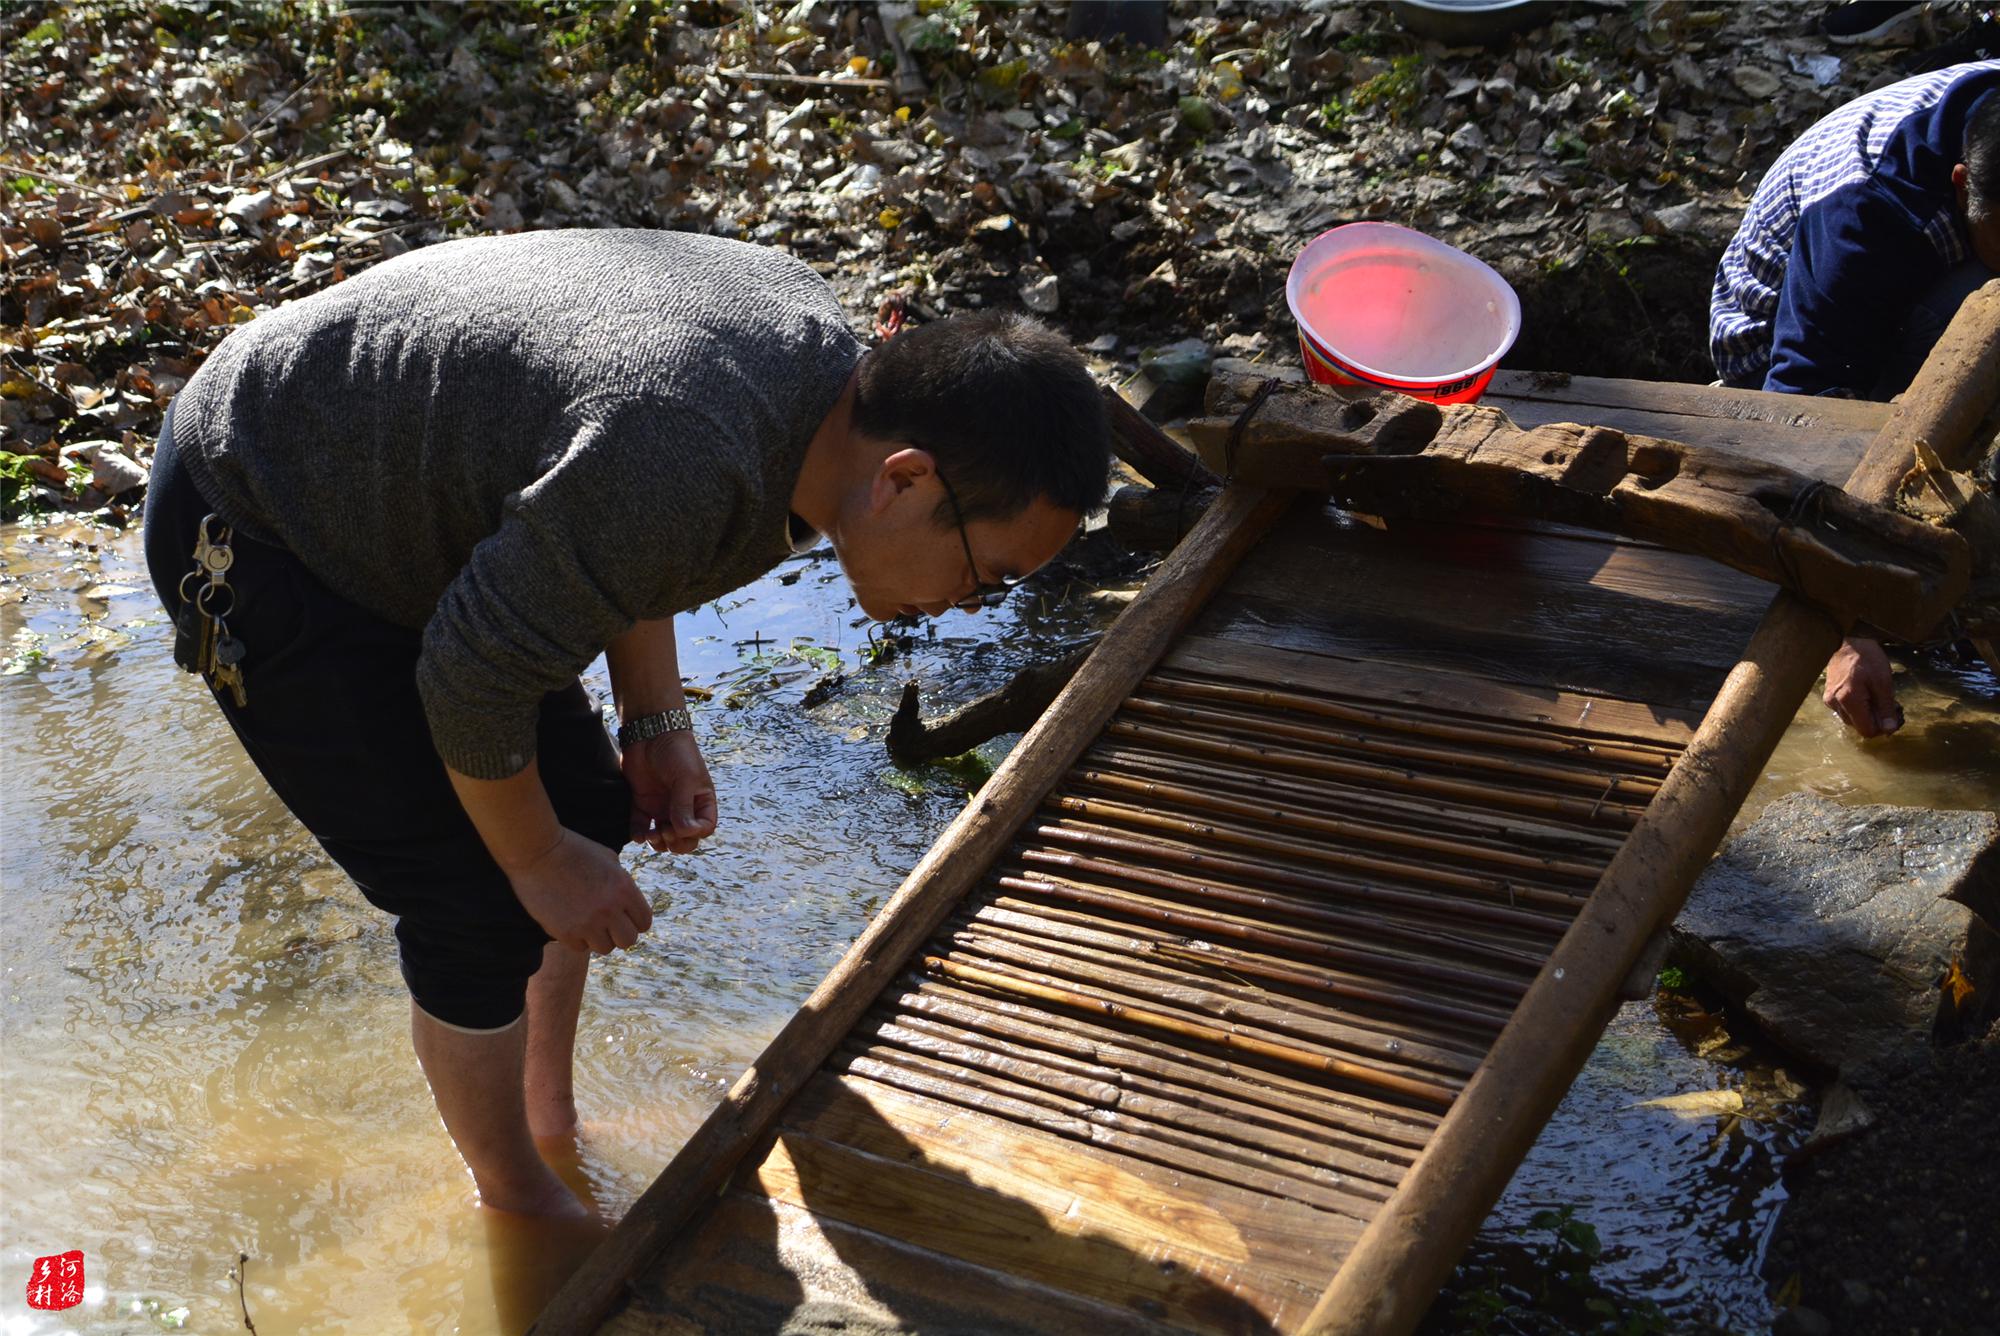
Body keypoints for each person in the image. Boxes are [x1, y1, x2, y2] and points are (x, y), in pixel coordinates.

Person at [142, 228, 1111, 1219]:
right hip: (257, 506)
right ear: (902, 480)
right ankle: (516, 1200)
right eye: (984, 576)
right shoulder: (685, 446)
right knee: (472, 901)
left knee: (584, 809)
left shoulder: (816, 403)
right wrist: (534, 863)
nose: (963, 607)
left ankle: (548, 1123)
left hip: (406, 497)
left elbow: (627, 528)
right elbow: (474, 676)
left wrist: (654, 721)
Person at [1709, 61, 2000, 737]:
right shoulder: (1865, 219)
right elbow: (1802, 418)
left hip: (1917, 274)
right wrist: (1849, 627)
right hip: (1782, 353)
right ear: (1963, 184)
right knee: (1982, 315)